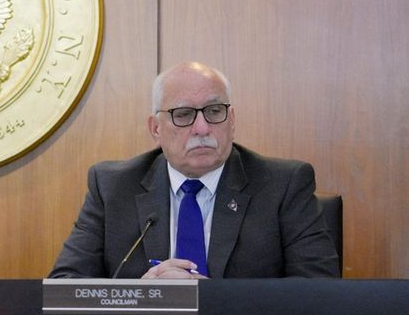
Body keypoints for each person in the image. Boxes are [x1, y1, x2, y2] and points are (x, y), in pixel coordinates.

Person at [49, 61, 339, 279]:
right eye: (183, 114)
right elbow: (64, 286)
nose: (202, 128)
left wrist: (215, 299)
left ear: (232, 119)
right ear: (155, 129)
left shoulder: (283, 185)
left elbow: (318, 290)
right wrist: (140, 296)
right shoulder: (112, 187)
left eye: (214, 112)